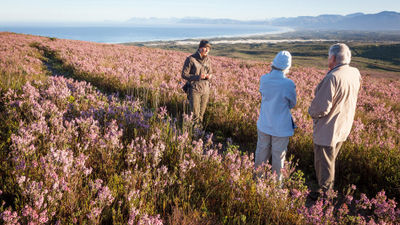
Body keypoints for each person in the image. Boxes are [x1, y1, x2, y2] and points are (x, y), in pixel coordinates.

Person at [308, 43, 361, 199]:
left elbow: (320, 108)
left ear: (332, 58)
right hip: (343, 125)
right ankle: (326, 189)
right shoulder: (354, 72)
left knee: (324, 163)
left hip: (328, 129)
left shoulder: (332, 77)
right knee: (331, 160)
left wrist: (311, 112)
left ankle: (326, 195)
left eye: (328, 57)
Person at [255, 51, 297, 183]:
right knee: (278, 156)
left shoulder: (264, 79)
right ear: (287, 66)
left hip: (264, 123)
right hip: (281, 127)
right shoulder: (288, 84)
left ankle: (257, 179)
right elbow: (292, 103)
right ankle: (275, 185)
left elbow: (263, 94)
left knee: (261, 153)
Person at [181, 40, 213, 127]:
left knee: (201, 114)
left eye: (208, 49)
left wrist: (209, 76)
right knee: (195, 114)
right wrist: (197, 77)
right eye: (205, 48)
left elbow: (210, 72)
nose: (206, 50)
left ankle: (199, 133)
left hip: (205, 89)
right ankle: (194, 134)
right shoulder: (191, 59)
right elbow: (184, 74)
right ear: (200, 48)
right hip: (194, 89)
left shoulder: (208, 60)